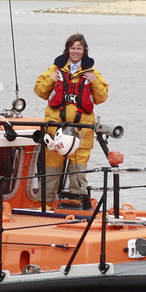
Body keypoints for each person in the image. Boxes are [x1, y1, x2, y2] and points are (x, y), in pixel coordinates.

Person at [33, 33, 109, 205]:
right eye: (73, 48)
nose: (76, 51)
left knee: (78, 172)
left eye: (79, 48)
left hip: (81, 131)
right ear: (67, 49)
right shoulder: (55, 69)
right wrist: (51, 80)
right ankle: (44, 205)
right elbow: (39, 91)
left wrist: (94, 81)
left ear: (84, 51)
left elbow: (102, 97)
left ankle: (76, 205)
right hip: (56, 129)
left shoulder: (92, 72)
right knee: (51, 170)